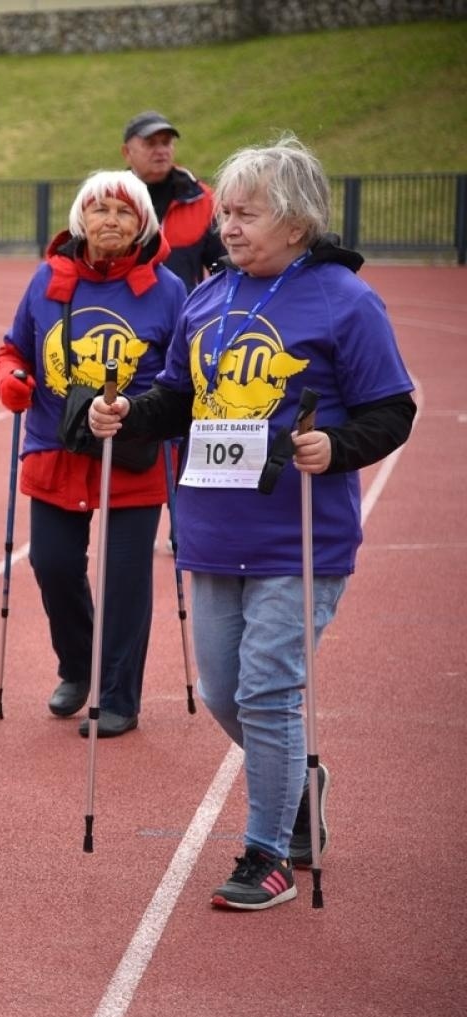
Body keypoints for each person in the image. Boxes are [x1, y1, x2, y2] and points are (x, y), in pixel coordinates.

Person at [88, 135, 415, 910]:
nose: (228, 227)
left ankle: (266, 851)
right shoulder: (205, 295)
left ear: (297, 223)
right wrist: (128, 409)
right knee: (226, 697)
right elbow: (176, 395)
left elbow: (391, 409)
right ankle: (296, 777)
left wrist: (336, 446)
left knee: (269, 693)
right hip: (210, 529)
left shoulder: (346, 301)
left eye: (247, 214)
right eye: (226, 213)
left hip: (299, 535)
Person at [0, 170, 187, 738]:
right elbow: (14, 348)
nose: (110, 220)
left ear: (143, 224)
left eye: (124, 213)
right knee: (51, 564)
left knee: (126, 579)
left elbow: (182, 374)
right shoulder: (48, 280)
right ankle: (78, 665)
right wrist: (12, 378)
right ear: (81, 218)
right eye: (99, 209)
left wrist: (145, 413)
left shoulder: (168, 290)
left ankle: (120, 696)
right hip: (57, 444)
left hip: (134, 450)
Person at [122, 110, 226, 292]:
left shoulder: (203, 199)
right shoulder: (110, 200)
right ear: (127, 152)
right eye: (151, 143)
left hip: (184, 314)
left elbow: (222, 266)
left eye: (166, 142)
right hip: (124, 316)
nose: (161, 150)